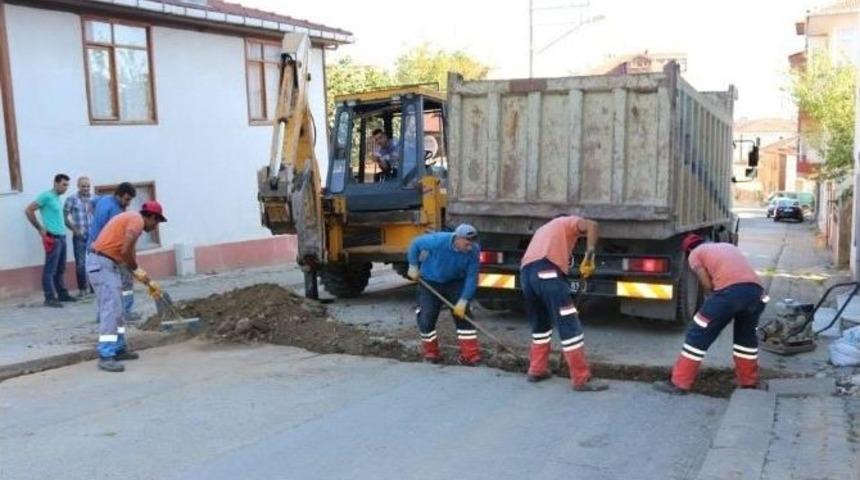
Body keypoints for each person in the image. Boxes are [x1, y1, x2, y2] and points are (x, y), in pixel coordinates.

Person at [654, 234, 767, 395]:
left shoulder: (695, 254)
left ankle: (679, 383)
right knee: (746, 340)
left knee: (697, 334)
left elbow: (706, 284)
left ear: (688, 250)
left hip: (728, 294)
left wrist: (718, 306)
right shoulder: (728, 247)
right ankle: (749, 383)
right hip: (756, 294)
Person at [519, 215, 608, 392]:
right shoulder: (566, 222)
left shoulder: (542, 230)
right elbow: (593, 224)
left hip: (526, 276)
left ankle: (536, 369)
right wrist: (589, 255)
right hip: (548, 272)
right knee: (569, 324)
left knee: (541, 324)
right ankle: (581, 378)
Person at [87, 201, 167, 372]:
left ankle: (119, 347)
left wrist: (141, 275)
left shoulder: (131, 219)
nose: (155, 227)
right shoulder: (137, 221)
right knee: (110, 310)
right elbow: (125, 253)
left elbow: (128, 253)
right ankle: (106, 355)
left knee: (119, 309)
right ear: (151, 217)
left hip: (107, 263)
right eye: (157, 222)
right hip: (101, 263)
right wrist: (137, 271)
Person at [406, 224, 481, 365]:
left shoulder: (474, 251)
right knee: (426, 317)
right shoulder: (437, 241)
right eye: (467, 243)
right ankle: (431, 353)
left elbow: (472, 277)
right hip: (430, 282)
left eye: (472, 243)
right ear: (457, 238)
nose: (470, 246)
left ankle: (470, 355)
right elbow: (415, 244)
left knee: (463, 316)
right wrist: (413, 266)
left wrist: (464, 300)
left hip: (455, 283)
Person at [89, 182, 139, 320]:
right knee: (125, 282)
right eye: (126, 199)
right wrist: (130, 261)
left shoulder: (103, 199)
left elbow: (90, 204)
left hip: (93, 247)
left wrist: (95, 220)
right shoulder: (116, 211)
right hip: (110, 252)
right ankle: (126, 312)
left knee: (104, 287)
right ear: (118, 195)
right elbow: (123, 239)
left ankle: (102, 315)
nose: (128, 203)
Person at [24, 174, 76, 308]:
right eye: (64, 184)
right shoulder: (46, 196)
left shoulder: (57, 198)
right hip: (52, 237)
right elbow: (29, 210)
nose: (66, 188)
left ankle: (62, 294)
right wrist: (39, 228)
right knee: (50, 269)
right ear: (56, 183)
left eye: (67, 185)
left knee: (61, 268)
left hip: (62, 236)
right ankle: (49, 297)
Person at [64, 176, 94, 298]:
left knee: (94, 263)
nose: (86, 188)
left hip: (93, 236)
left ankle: (94, 288)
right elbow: (65, 216)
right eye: (83, 186)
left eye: (87, 186)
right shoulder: (71, 199)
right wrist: (74, 230)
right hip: (80, 236)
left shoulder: (94, 198)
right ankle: (82, 289)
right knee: (80, 264)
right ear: (78, 186)